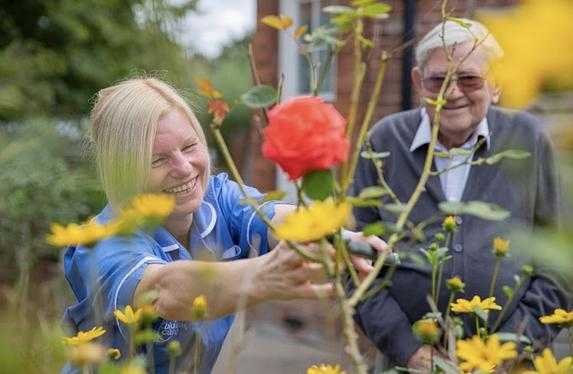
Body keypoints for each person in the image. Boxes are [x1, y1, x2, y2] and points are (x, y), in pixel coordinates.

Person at [62, 78, 384, 373]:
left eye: (189, 147)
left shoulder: (217, 197)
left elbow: (273, 215)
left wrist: (335, 236)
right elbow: (163, 290)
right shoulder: (102, 242)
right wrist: (262, 275)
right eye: (157, 160)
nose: (185, 168)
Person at [351, 19, 570, 370]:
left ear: (495, 84)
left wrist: (504, 351)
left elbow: (559, 261)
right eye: (438, 79)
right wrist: (407, 347)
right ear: (419, 83)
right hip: (406, 364)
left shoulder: (528, 139)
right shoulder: (384, 143)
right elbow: (354, 261)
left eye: (469, 78)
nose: (452, 92)